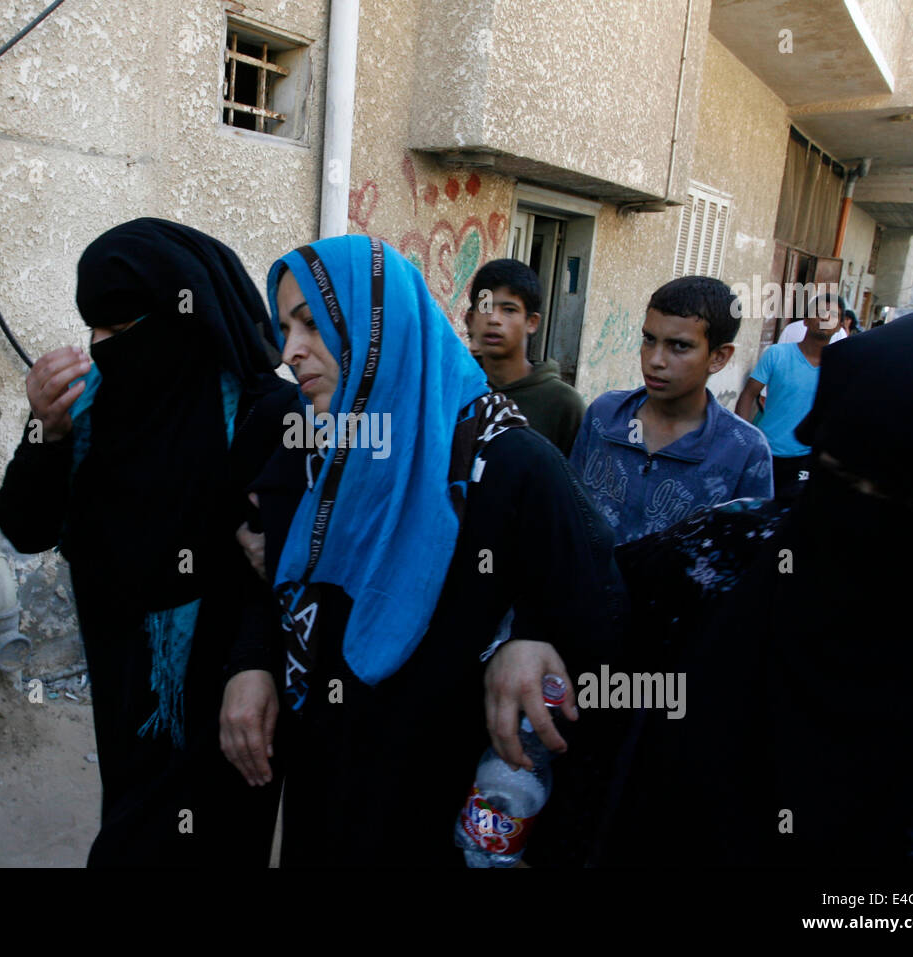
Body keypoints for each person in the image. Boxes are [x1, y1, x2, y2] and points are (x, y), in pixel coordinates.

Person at [219, 235, 627, 866]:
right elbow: (266, 577)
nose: (290, 351)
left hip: (440, 790)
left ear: (379, 329)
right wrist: (250, 662)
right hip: (327, 769)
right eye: (283, 327)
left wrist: (527, 636)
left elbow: (593, 612)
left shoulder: (510, 463)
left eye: (312, 324)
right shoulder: (312, 443)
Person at [600, 308, 913, 865]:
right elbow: (594, 593)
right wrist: (531, 640)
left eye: (907, 500)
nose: (863, 518)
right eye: (842, 477)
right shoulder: (736, 547)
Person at [0, 218, 294, 867]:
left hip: (224, 693)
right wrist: (45, 431)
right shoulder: (89, 401)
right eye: (93, 328)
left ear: (181, 318)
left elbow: (285, 570)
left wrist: (254, 662)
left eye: (121, 330)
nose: (101, 347)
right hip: (121, 680)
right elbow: (25, 526)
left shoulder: (265, 414)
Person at [568, 276, 773, 545]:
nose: (655, 360)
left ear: (718, 357)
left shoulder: (744, 450)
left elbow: (747, 556)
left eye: (680, 346)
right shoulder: (604, 417)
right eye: (649, 340)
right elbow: (568, 514)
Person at [466, 258, 585, 457]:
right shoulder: (457, 390)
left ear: (531, 322)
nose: (494, 319)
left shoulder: (563, 405)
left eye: (509, 310)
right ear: (471, 320)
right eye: (485, 307)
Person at [735, 291, 841, 498]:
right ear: (806, 319)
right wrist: (741, 438)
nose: (826, 317)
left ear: (838, 326)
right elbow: (748, 395)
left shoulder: (839, 367)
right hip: (766, 450)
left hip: (806, 458)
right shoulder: (777, 354)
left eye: (833, 315)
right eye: (820, 312)